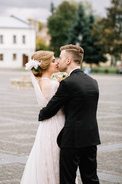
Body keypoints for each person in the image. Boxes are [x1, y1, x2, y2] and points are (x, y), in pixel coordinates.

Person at [39, 44, 101, 184]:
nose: (58, 61)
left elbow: (51, 109)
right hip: (91, 138)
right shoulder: (93, 82)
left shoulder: (68, 83)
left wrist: (40, 114)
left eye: (60, 58)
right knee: (90, 178)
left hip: (72, 139)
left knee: (67, 179)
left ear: (68, 61)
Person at [20, 50, 66, 184]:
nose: (56, 62)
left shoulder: (44, 82)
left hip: (46, 127)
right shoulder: (52, 84)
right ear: (45, 64)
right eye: (53, 60)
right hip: (56, 125)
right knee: (56, 160)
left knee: (47, 160)